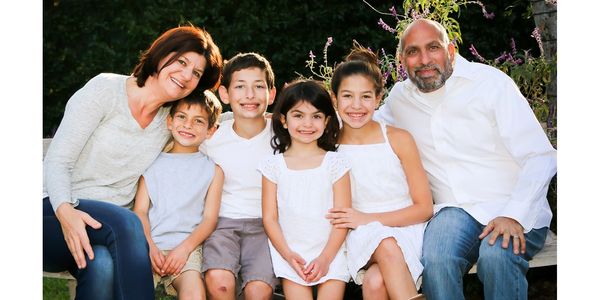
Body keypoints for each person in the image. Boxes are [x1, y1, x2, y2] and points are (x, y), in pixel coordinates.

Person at [375, 19, 557, 300]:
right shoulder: (399, 99)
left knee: (497, 256)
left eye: (433, 48)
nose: (424, 60)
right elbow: (359, 124)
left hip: (513, 205)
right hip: (453, 211)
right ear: (402, 60)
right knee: (437, 260)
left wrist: (514, 214)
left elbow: (540, 156)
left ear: (450, 49)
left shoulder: (491, 84)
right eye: (413, 52)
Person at [43, 25, 223, 300]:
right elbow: (57, 161)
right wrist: (66, 213)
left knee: (102, 266)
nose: (186, 75)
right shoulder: (106, 90)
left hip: (106, 233)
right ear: (162, 54)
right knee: (127, 223)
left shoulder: (171, 121)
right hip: (52, 213)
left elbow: (215, 123)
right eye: (182, 61)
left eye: (196, 73)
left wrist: (276, 119)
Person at [326, 45, 432, 300]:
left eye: (365, 97)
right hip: (358, 233)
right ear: (334, 99)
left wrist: (368, 218)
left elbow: (424, 208)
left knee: (375, 283)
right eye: (347, 96)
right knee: (385, 244)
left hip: (407, 227)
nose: (356, 106)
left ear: (378, 97)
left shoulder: (398, 139)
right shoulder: (329, 145)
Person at [259, 79, 352, 300]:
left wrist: (326, 258)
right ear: (283, 120)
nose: (307, 124)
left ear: (327, 120)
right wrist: (288, 255)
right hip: (291, 254)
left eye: (316, 116)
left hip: (331, 251)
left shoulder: (336, 163)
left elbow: (342, 218)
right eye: (298, 115)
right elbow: (270, 219)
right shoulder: (272, 166)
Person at [200, 52, 278, 300]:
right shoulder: (211, 137)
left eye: (258, 87)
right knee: (219, 283)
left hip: (267, 225)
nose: (249, 95)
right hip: (222, 223)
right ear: (224, 94)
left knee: (259, 290)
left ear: (271, 94)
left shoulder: (284, 134)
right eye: (240, 87)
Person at [132, 91, 224, 300]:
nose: (188, 125)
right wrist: (149, 246)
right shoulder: (151, 163)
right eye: (182, 117)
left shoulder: (213, 171)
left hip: (188, 248)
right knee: (131, 290)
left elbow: (209, 220)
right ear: (170, 121)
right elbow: (140, 211)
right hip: (148, 245)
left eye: (198, 121)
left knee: (195, 294)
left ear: (211, 131)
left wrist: (184, 250)